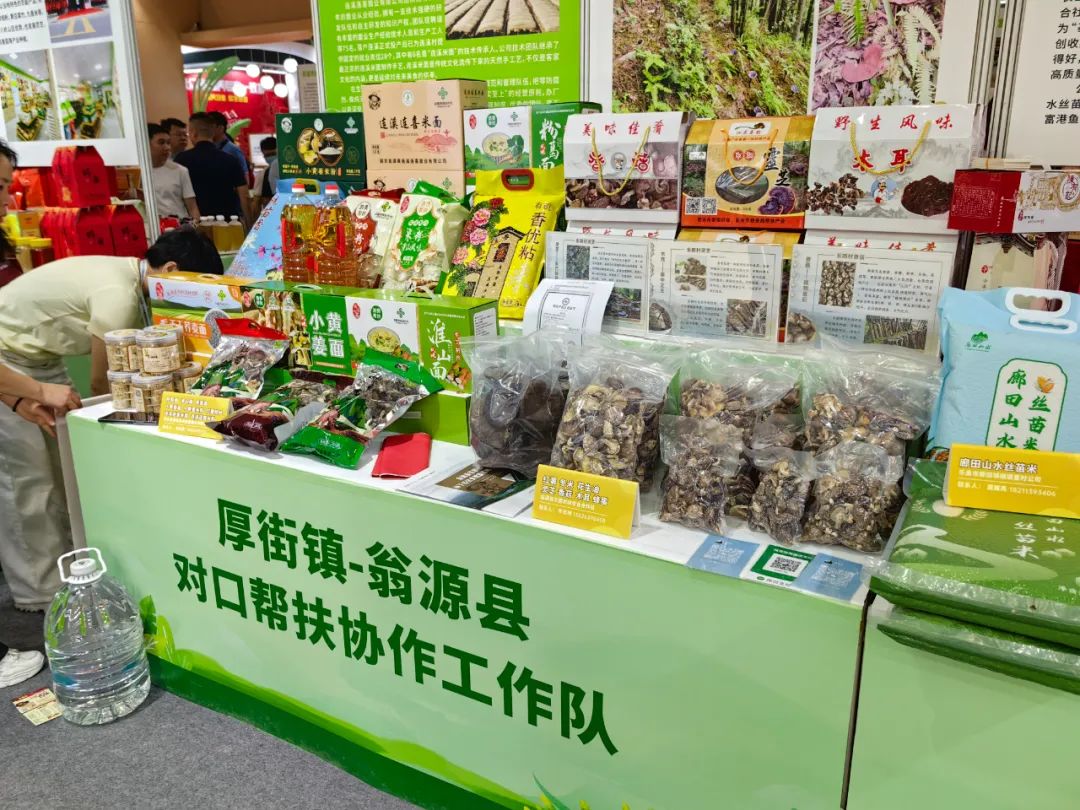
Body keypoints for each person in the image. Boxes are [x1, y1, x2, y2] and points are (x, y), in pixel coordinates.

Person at [0, 226, 223, 611]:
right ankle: (37, 593)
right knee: (27, 480)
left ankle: (68, 569)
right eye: (190, 287)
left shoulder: (129, 278)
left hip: (41, 359)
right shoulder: (119, 293)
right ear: (171, 269)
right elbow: (103, 382)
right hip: (9, 356)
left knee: (60, 471)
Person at [175, 113, 251, 224]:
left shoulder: (181, 159)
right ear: (213, 133)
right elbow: (244, 194)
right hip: (228, 222)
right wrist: (249, 222)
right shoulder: (230, 160)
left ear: (193, 133)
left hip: (196, 223)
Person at [148, 123, 199, 221]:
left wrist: (196, 226)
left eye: (168, 143)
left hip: (178, 225)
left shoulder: (180, 170)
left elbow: (192, 207)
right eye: (161, 143)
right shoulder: (137, 173)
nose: (167, 147)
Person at [207, 110, 250, 183]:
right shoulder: (207, 148)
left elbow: (245, 177)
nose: (206, 131)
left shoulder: (233, 150)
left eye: (209, 127)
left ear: (220, 128)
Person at [257, 136, 280, 212]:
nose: (270, 157)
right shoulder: (265, 172)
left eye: (272, 154)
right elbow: (265, 199)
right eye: (267, 155)